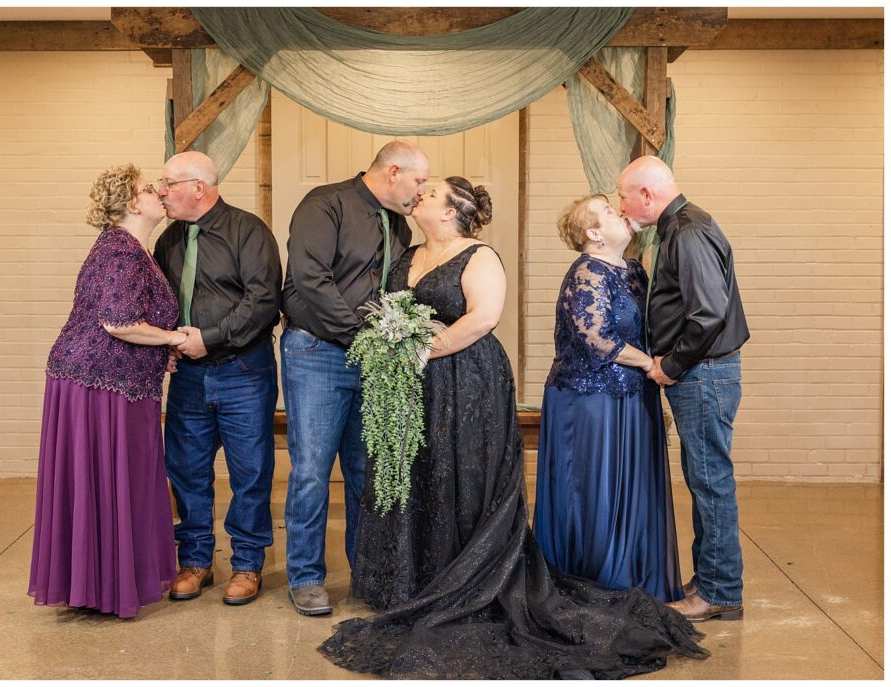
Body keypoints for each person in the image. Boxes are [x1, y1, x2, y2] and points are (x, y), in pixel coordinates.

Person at [320, 177, 707, 679]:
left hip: (467, 381)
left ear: (453, 209)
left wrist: (422, 347)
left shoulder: (479, 255)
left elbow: (483, 318)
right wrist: (394, 342)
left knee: (462, 475)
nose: (421, 195)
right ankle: (412, 579)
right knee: (416, 474)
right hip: (412, 387)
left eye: (432, 191)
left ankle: (470, 576)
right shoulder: (405, 254)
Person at [281, 140, 429, 616]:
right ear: (392, 172)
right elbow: (310, 279)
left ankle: (368, 575)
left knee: (367, 472)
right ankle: (305, 577)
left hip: (373, 357)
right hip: (317, 351)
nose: (421, 191)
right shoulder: (325, 204)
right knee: (311, 471)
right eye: (418, 181)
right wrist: (363, 337)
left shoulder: (400, 226)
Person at [29, 163, 181, 618]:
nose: (158, 194)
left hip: (116, 383)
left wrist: (159, 349)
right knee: (108, 482)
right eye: (149, 189)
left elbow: (130, 323)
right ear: (132, 203)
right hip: (97, 385)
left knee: (116, 484)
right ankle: (102, 586)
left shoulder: (133, 249)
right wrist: (174, 338)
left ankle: (102, 583)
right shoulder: (121, 251)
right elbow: (118, 323)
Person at [617, 155, 750, 622]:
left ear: (646, 196)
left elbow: (708, 314)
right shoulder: (681, 226)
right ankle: (714, 577)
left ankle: (720, 592)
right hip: (704, 373)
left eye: (624, 196)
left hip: (703, 373)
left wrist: (670, 365)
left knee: (710, 481)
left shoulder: (688, 232)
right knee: (704, 478)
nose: (621, 205)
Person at [533, 194, 682, 602]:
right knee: (595, 493)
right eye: (608, 211)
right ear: (593, 233)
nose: (619, 212)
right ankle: (595, 582)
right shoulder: (586, 272)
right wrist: (652, 363)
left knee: (632, 490)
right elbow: (597, 339)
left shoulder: (632, 270)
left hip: (634, 400)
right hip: (592, 402)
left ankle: (634, 573)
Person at [153, 151, 282, 606]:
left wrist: (209, 338)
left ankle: (247, 565)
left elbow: (263, 300)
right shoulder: (168, 240)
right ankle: (195, 561)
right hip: (187, 375)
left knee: (250, 472)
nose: (161, 191)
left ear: (198, 188)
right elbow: (162, 303)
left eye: (168, 183)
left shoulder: (248, 231)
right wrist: (166, 344)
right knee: (186, 470)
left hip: (243, 371)